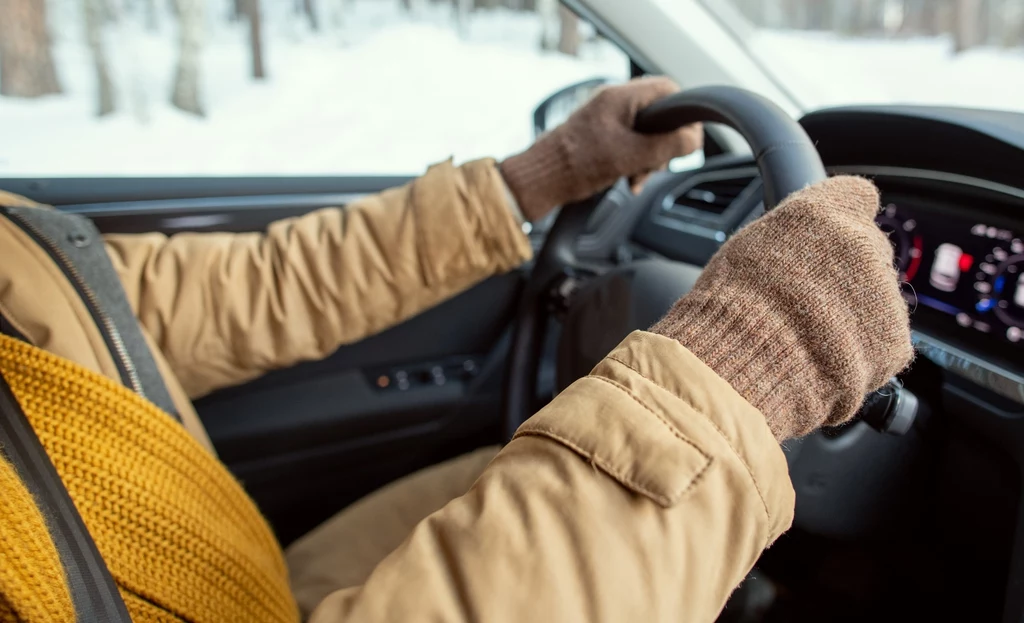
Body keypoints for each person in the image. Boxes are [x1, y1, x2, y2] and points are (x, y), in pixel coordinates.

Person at [0, 77, 912, 622]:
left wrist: (540, 175)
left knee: (502, 462)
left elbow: (199, 297)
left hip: (221, 567)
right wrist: (739, 367)